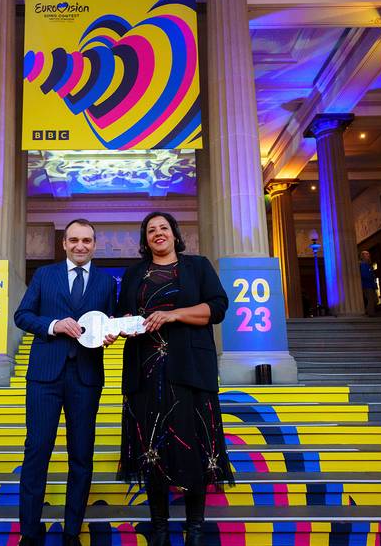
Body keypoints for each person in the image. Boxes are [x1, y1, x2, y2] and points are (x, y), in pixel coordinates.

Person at [116, 212, 230, 546]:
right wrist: (121, 325)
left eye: (163, 227)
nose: (158, 233)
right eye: (151, 230)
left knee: (193, 448)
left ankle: (195, 529)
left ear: (175, 234)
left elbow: (217, 307)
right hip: (146, 373)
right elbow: (123, 316)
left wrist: (173, 314)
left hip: (190, 370)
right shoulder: (134, 273)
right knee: (151, 450)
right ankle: (160, 529)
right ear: (145, 239)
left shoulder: (198, 266)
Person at [13, 219, 118, 546]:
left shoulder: (106, 282)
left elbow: (108, 323)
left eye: (86, 240)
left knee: (81, 456)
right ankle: (30, 532)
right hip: (45, 375)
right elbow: (22, 315)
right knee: (37, 451)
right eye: (74, 240)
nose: (80, 246)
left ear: (95, 244)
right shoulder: (45, 275)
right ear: (64, 243)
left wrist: (110, 335)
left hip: (86, 377)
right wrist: (54, 324)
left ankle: (72, 531)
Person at [359, 250, 377, 316]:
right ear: (362, 256)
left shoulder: (369, 265)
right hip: (367, 285)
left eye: (368, 254)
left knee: (374, 300)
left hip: (371, 285)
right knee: (371, 299)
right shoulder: (362, 265)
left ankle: (367, 312)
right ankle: (370, 313)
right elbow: (364, 275)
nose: (368, 255)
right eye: (366, 254)